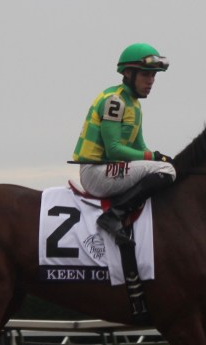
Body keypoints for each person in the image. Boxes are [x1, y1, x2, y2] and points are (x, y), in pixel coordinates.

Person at [71, 43, 177, 246]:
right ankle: (113, 216)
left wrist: (160, 158)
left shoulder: (134, 104)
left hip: (108, 170)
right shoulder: (115, 100)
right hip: (95, 173)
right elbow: (113, 150)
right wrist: (155, 158)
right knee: (165, 169)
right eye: (146, 74)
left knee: (165, 167)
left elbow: (140, 148)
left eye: (154, 75)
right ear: (128, 73)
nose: (151, 81)